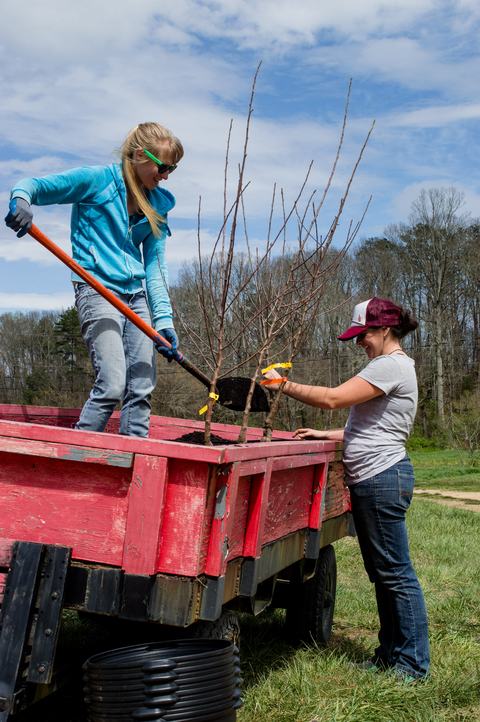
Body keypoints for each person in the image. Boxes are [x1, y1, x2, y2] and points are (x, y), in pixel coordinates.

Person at [263, 297, 430, 681]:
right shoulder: (390, 366)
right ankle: (391, 656)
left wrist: (283, 385)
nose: (359, 343)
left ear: (384, 329)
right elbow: (375, 428)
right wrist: (328, 434)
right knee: (384, 574)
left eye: (363, 335)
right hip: (380, 476)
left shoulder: (390, 365)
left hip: (381, 478)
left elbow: (334, 399)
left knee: (397, 575)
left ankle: (412, 665)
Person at [5, 122, 183, 437]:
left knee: (141, 387)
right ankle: (75, 460)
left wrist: (164, 321)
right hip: (97, 289)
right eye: (164, 166)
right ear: (141, 155)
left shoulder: (158, 204)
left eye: (173, 168)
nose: (167, 175)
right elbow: (33, 185)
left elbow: (155, 265)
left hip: (136, 297)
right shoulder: (97, 181)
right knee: (113, 384)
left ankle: (134, 468)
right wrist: (21, 201)